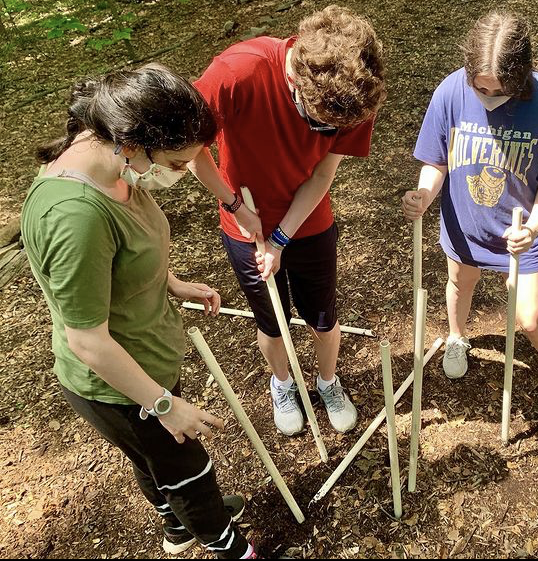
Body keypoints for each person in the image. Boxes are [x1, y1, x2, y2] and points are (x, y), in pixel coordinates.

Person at [21, 64, 256, 559]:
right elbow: (87, 338)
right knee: (189, 470)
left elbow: (121, 259)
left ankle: (178, 525)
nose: (177, 173)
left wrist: (173, 284)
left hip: (144, 358)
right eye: (174, 163)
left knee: (156, 463)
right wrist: (165, 405)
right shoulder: (74, 216)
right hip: (119, 385)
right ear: (133, 142)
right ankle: (227, 544)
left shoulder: (112, 162)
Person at [190, 5, 387, 436]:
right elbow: (190, 150)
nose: (324, 133)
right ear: (296, 80)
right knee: (271, 320)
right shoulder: (235, 74)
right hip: (243, 223)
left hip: (309, 220)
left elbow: (321, 174)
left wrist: (280, 238)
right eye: (318, 123)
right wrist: (233, 205)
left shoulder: (356, 93)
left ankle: (327, 382)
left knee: (322, 316)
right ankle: (282, 383)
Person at [402, 11, 538, 422]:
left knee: (530, 316)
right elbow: (436, 161)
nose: (488, 95)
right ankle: (457, 338)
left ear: (521, 74)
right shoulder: (451, 92)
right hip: (466, 223)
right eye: (480, 87)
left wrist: (533, 227)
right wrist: (425, 195)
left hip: (521, 231)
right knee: (460, 284)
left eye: (501, 89)